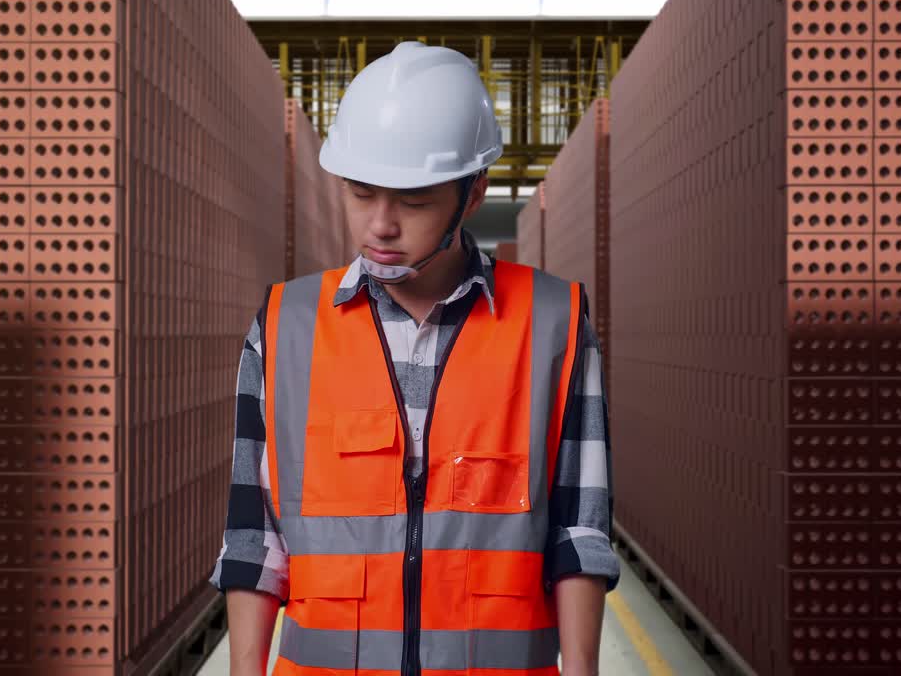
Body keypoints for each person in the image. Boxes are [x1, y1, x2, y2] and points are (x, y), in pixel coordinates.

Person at [210, 40, 619, 676]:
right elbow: (254, 538)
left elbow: (580, 534)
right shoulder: (285, 327)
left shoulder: (554, 325)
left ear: (473, 192)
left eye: (414, 201)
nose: (381, 225)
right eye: (360, 193)